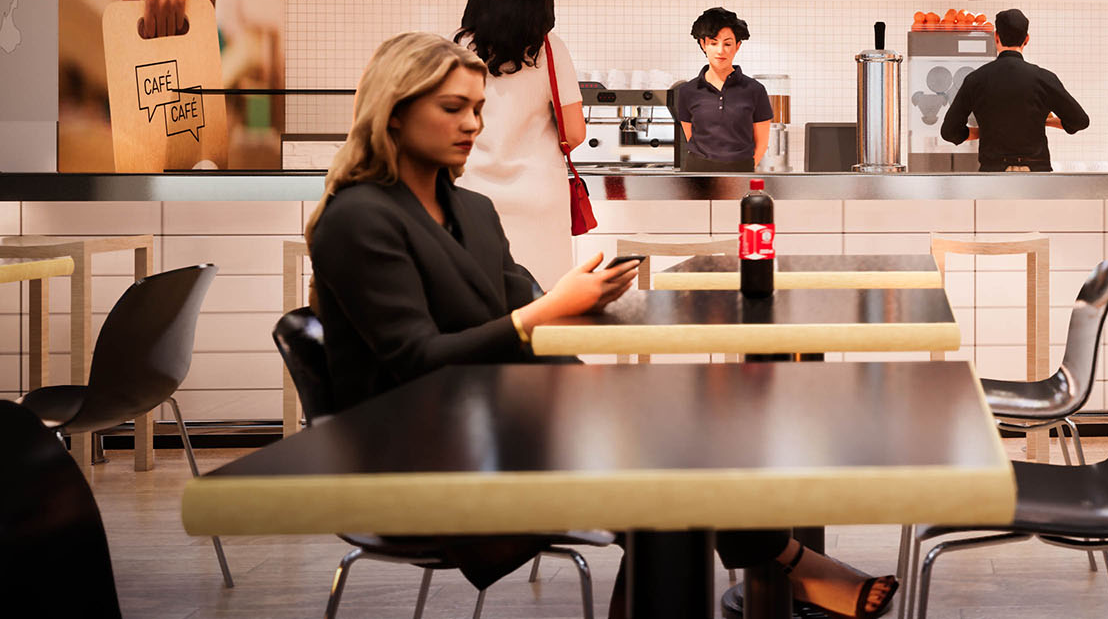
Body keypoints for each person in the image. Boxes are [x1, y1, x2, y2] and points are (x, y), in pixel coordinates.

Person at [307, 32, 898, 617]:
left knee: (677, 441)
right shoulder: (358, 219)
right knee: (665, 474)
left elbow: (521, 307)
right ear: (394, 111)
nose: (472, 125)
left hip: (494, 426)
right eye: (452, 108)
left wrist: (583, 326)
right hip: (416, 456)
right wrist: (550, 314)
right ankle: (792, 563)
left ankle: (787, 564)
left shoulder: (473, 211)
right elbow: (418, 360)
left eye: (478, 109)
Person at [455, 0, 583, 289]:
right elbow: (574, 132)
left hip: (469, 193)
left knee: (477, 300)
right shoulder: (551, 49)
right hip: (539, 196)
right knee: (543, 301)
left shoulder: (458, 47)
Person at [940, 8, 1090, 172]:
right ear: (1026, 39)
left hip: (993, 175)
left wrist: (984, 131)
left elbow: (949, 132)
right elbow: (1080, 121)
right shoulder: (1044, 78)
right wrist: (1045, 121)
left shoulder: (976, 79)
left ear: (996, 37)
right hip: (1036, 176)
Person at [675, 6, 773, 171]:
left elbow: (762, 144)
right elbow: (691, 137)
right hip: (697, 174)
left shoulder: (755, 90)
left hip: (740, 172)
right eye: (713, 43)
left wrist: (742, 170)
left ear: (738, 46)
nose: (720, 51)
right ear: (703, 44)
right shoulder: (688, 91)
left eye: (727, 44)